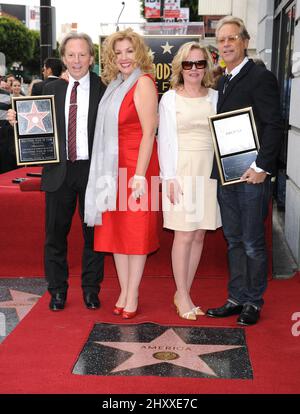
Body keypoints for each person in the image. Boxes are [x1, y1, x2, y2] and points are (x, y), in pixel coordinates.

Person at [8, 32, 106, 311]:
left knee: (94, 237)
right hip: (58, 172)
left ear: (91, 58)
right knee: (54, 236)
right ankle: (58, 291)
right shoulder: (47, 89)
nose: (77, 60)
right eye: (71, 55)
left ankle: (90, 290)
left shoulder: (104, 89)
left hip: (92, 172)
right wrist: (18, 120)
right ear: (64, 58)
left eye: (82, 54)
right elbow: (35, 128)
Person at [206, 16, 283, 325]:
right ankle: (236, 297)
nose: (226, 44)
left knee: (252, 241)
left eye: (232, 38)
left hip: (252, 176)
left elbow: (274, 125)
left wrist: (262, 166)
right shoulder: (223, 81)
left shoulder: (260, 77)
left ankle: (253, 301)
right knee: (234, 239)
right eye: (221, 40)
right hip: (228, 175)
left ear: (245, 41)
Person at [84, 28, 159, 319]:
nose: (124, 57)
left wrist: (140, 175)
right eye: (118, 53)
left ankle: (134, 292)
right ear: (111, 58)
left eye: (129, 51)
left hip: (137, 167)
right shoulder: (115, 85)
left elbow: (149, 133)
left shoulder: (142, 83)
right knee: (116, 231)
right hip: (111, 168)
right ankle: (125, 289)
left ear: (138, 53)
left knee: (136, 231)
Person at [158, 42, 221, 321]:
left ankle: (185, 290)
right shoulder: (170, 99)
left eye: (199, 63)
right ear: (180, 67)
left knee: (198, 234)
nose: (194, 69)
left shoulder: (216, 97)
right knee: (183, 234)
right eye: (188, 64)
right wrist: (168, 177)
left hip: (207, 170)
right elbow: (165, 141)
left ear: (206, 66)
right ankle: (182, 293)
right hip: (181, 170)